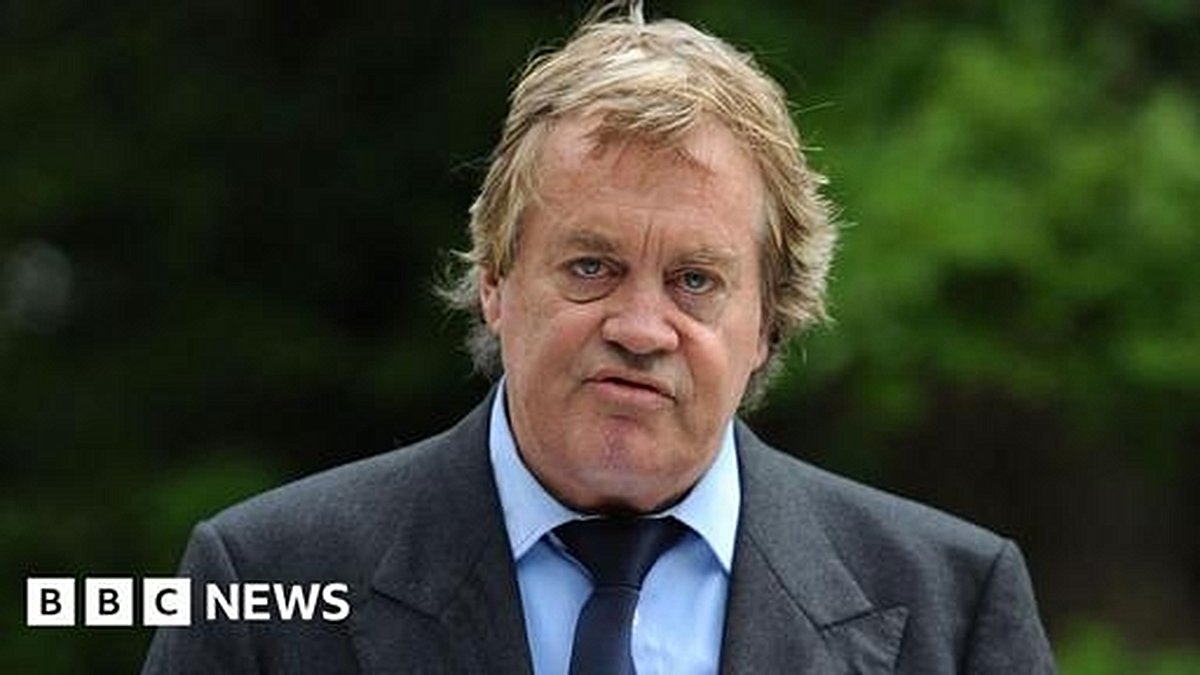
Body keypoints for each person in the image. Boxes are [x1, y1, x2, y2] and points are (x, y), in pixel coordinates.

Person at [143, 4, 1055, 674]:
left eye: (695, 281)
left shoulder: (954, 607)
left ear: (770, 319)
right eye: (591, 267)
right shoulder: (261, 583)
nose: (641, 328)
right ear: (495, 280)